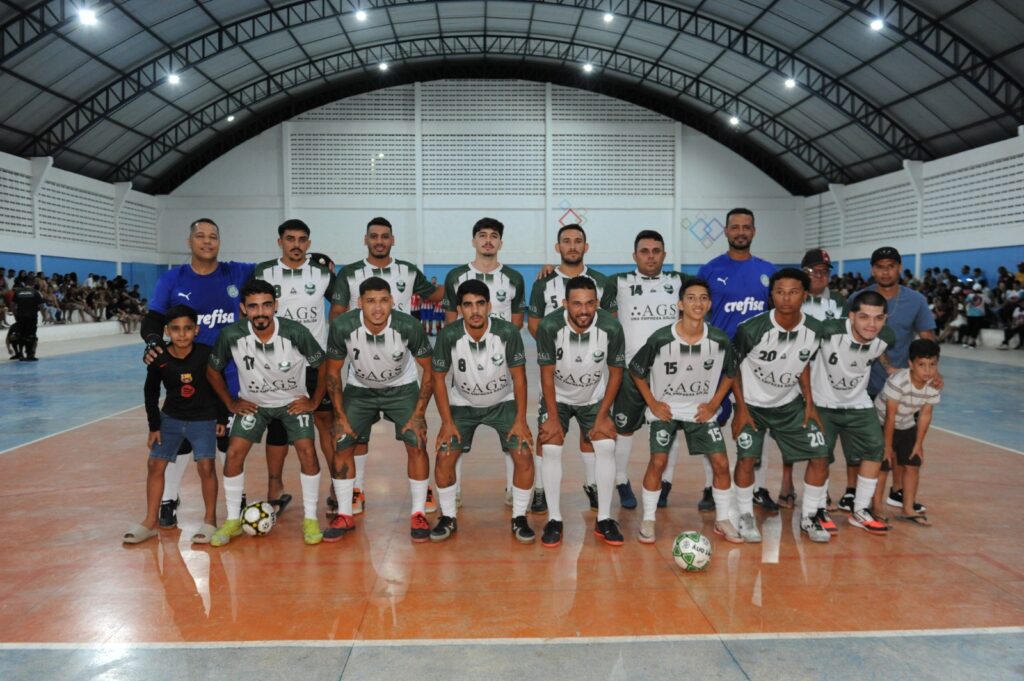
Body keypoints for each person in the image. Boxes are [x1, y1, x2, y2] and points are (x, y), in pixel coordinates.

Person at [141, 218, 255, 528]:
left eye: (213, 236)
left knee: (228, 441)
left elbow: (278, 267)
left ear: (220, 242)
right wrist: (153, 343)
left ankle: (237, 498)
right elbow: (153, 318)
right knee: (179, 443)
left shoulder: (237, 272)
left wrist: (318, 262)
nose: (207, 241)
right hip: (185, 379)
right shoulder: (173, 279)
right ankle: (168, 499)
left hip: (230, 375)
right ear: (189, 241)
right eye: (200, 236)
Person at [331, 217, 443, 515]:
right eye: (374, 236)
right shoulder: (350, 274)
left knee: (416, 437)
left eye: (385, 236)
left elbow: (439, 295)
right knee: (355, 438)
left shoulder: (408, 271)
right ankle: (357, 491)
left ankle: (422, 493)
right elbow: (338, 314)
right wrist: (354, 338)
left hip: (401, 367)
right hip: (362, 371)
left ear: (392, 240)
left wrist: (468, 278)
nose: (379, 241)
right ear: (365, 239)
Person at [206, 280, 327, 547]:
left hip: (291, 402)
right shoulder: (231, 335)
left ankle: (310, 519)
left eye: (266, 305)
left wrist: (314, 400)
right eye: (253, 307)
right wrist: (230, 402)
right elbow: (212, 371)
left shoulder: (295, 332)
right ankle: (232, 519)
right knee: (234, 452)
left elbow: (324, 364)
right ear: (243, 309)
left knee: (307, 449)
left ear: (275, 306)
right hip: (254, 404)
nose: (260, 312)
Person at [321, 277, 436, 543]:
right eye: (370, 301)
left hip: (402, 388)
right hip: (360, 389)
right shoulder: (342, 326)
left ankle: (418, 511)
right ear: (359, 303)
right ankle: (345, 512)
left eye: (384, 300)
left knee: (417, 441)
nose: (377, 308)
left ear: (392, 301)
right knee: (341, 441)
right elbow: (333, 373)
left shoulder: (408, 326)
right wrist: (339, 416)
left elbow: (429, 370)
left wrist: (419, 415)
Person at [628, 277, 741, 544]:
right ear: (680, 303)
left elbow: (731, 373)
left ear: (710, 304)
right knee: (658, 461)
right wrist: (653, 403)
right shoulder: (661, 338)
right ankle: (649, 518)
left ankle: (723, 519)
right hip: (665, 410)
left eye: (703, 298)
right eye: (691, 298)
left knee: (722, 463)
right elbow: (636, 369)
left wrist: (714, 404)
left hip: (700, 411)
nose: (697, 303)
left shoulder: (719, 338)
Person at [731, 268, 831, 544]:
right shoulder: (751, 329)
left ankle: (810, 515)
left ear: (805, 295)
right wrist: (740, 409)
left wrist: (809, 403)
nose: (786, 298)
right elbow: (732, 368)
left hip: (789, 404)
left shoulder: (813, 329)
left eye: (794, 292)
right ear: (771, 295)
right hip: (751, 404)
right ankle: (744, 514)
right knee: (747, 458)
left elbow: (803, 363)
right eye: (780, 292)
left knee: (821, 454)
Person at [429, 280, 534, 542]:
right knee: (443, 456)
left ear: (489, 306)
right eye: (467, 305)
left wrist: (520, 419)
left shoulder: (508, 333)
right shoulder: (448, 335)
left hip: (502, 402)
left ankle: (519, 517)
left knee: (523, 453)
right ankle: (448, 516)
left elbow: (519, 378)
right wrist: (446, 422)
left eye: (480, 304)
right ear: (460, 309)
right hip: (462, 405)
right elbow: (438, 379)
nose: (474, 311)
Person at [254, 219, 344, 518]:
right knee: (277, 427)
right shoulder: (264, 271)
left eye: (302, 239)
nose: (296, 244)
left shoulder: (321, 273)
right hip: (275, 364)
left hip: (315, 364)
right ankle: (275, 489)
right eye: (290, 239)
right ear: (279, 241)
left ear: (309, 243)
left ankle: (337, 487)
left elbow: (342, 303)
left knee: (326, 424)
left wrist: (333, 345)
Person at [528, 224, 616, 515]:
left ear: (586, 247)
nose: (572, 246)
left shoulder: (602, 281)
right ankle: (540, 489)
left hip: (590, 372)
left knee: (591, 433)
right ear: (558, 248)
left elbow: (609, 324)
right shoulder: (543, 281)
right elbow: (534, 323)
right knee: (548, 434)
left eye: (578, 241)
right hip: (557, 369)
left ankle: (592, 484)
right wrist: (557, 343)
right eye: (566, 241)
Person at [442, 217, 529, 505]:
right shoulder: (455, 276)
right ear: (474, 241)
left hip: (501, 363)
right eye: (482, 235)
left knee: (511, 438)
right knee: (455, 436)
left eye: (494, 236)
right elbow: (450, 324)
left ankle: (511, 491)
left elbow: (517, 322)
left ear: (500, 242)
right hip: (466, 364)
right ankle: (452, 493)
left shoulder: (514, 278)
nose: (488, 240)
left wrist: (496, 347)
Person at [697, 208, 778, 513]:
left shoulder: (768, 270)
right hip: (718, 359)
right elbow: (697, 310)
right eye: (735, 227)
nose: (741, 231)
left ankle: (758, 487)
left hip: (757, 361)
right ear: (726, 232)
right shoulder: (709, 269)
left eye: (746, 227)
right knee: (713, 421)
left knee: (759, 422)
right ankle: (711, 484)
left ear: (753, 232)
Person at [123, 306, 225, 545]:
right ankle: (150, 521)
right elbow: (150, 392)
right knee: (154, 465)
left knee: (207, 467)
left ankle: (210, 520)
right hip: (170, 419)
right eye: (176, 329)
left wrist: (220, 418)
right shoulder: (159, 358)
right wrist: (154, 425)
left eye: (188, 329)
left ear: (196, 330)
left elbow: (218, 387)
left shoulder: (206, 354)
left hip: (203, 418)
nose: (182, 334)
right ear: (167, 331)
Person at [536, 276, 625, 547]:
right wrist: (552, 418)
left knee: (607, 445)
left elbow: (616, 372)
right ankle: (554, 519)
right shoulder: (549, 326)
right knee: (551, 447)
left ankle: (605, 519)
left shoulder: (611, 327)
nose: (583, 310)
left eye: (589, 304)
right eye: (576, 304)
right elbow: (547, 375)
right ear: (565, 303)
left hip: (593, 397)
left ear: (597, 303)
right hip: (557, 398)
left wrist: (602, 416)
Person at [849, 247, 938, 513]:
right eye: (879, 266)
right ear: (872, 269)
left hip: (904, 385)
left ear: (899, 268)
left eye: (890, 266)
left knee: (901, 443)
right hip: (864, 382)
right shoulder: (859, 298)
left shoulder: (916, 300)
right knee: (864, 444)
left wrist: (933, 371)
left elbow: (926, 337)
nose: (885, 271)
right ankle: (853, 492)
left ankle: (897, 493)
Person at [605, 230, 685, 511]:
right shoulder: (619, 282)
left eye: (656, 250)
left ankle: (665, 483)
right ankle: (620, 480)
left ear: (664, 254)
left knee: (669, 427)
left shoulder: (679, 282)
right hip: (631, 371)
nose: (650, 256)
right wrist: (551, 270)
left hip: (670, 371)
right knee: (624, 429)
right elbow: (580, 282)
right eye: (644, 251)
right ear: (634, 255)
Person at [810, 292, 894, 534]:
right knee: (820, 457)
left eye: (878, 318)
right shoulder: (829, 330)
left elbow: (878, 347)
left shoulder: (886, 336)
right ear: (851, 316)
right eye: (864, 317)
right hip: (824, 403)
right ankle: (817, 509)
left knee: (875, 449)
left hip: (859, 403)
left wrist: (889, 367)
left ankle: (860, 510)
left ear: (885, 319)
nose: (871, 324)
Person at [779, 247, 848, 508]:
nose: (819, 276)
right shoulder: (794, 298)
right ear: (803, 272)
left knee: (822, 439)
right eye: (813, 271)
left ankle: (822, 491)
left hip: (826, 379)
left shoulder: (839, 302)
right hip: (792, 377)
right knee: (790, 434)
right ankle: (787, 484)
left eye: (824, 272)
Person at [874, 339, 942, 526]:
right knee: (884, 465)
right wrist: (887, 446)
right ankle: (876, 507)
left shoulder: (932, 386)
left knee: (913, 464)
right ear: (911, 364)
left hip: (906, 424)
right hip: (881, 422)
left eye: (932, 365)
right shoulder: (898, 381)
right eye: (922, 365)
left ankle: (908, 508)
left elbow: (925, 415)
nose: (927, 370)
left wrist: (918, 444)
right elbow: (890, 416)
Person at [11, 278, 43, 361]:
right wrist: (37, 311)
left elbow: (13, 304)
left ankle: (21, 355)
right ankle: (30, 354)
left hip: (20, 317)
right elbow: (40, 306)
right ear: (32, 284)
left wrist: (15, 315)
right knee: (31, 336)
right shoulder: (35, 292)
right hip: (31, 317)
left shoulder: (18, 292)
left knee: (21, 335)